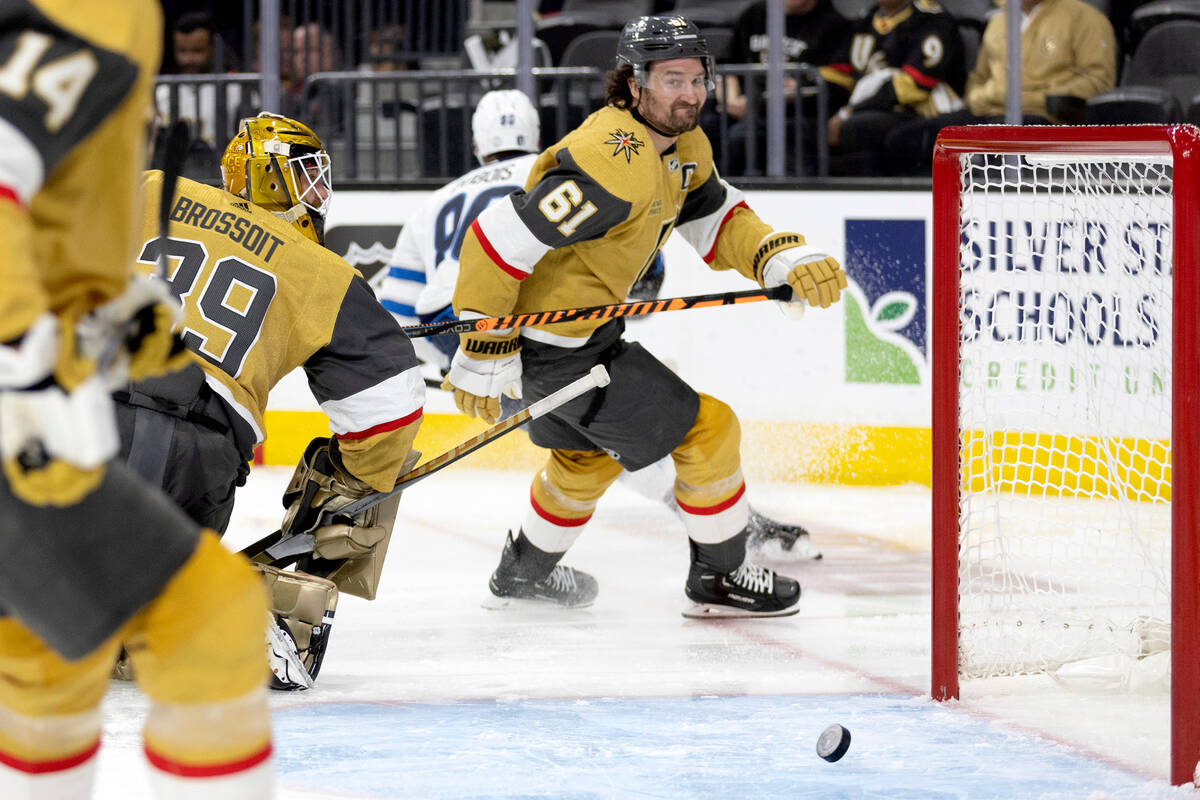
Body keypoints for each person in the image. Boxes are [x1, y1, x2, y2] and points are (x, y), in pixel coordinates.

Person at [444, 15, 847, 616]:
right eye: (671, 79)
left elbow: (714, 217)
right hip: (554, 356)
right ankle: (721, 577)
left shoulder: (684, 146)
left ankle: (523, 575)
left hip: (583, 342)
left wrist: (776, 255)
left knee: (585, 461)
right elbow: (498, 242)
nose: (689, 93)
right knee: (711, 431)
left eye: (696, 78)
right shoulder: (611, 158)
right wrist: (483, 342)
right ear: (634, 83)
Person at [0, 3, 274, 797]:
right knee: (209, 617)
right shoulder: (96, 9)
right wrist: (23, 359)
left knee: (45, 652)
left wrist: (108, 313)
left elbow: (45, 202)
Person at [378, 88, 822, 561]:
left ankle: (528, 570)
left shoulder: (437, 201)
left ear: (476, 144)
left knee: (594, 437)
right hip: (531, 330)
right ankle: (731, 531)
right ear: (536, 134)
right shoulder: (562, 168)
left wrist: (460, 365)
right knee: (613, 428)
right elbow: (637, 267)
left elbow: (403, 313)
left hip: (462, 332)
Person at [117, 112, 426, 690]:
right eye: (308, 176)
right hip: (197, 452)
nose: (319, 194)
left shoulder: (152, 189)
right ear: (271, 178)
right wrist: (355, 488)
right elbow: (395, 403)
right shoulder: (321, 272)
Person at [883, 0, 1116, 175]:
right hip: (987, 113)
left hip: (1044, 118)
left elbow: (1097, 84)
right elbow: (977, 80)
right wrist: (983, 98)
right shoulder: (998, 21)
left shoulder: (1085, 17)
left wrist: (1030, 98)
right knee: (906, 139)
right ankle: (927, 216)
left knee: (998, 149)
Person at [819, 0, 967, 176]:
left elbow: (911, 88)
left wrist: (848, 113)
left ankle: (872, 192)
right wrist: (800, 87)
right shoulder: (865, 19)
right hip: (866, 108)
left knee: (859, 127)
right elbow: (839, 74)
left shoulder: (933, 20)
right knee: (806, 124)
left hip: (920, 112)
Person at [718, 0, 848, 175]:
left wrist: (796, 88)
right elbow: (728, 67)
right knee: (708, 124)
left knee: (745, 135)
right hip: (744, 106)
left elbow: (834, 86)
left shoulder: (834, 25)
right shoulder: (755, 14)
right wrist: (730, 101)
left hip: (799, 113)